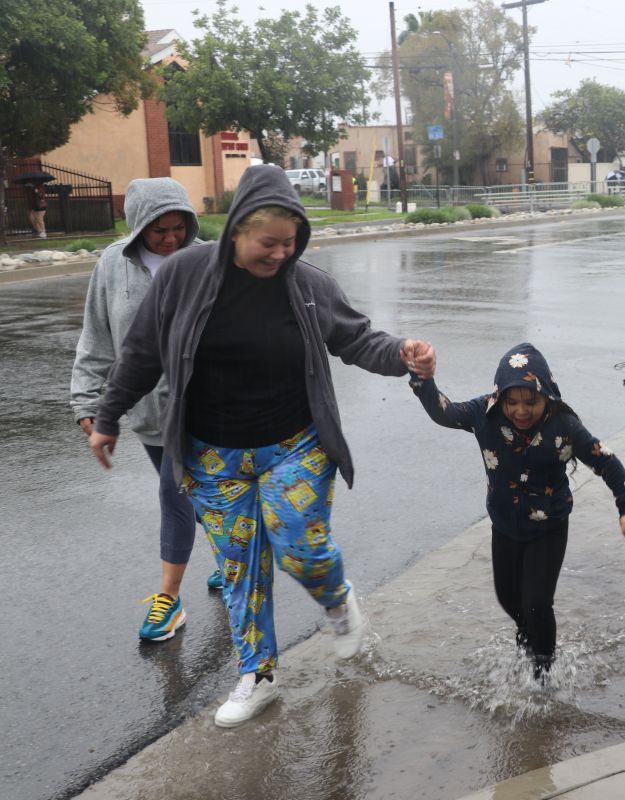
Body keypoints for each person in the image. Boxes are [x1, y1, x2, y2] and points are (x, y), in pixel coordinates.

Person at [86, 164, 436, 728]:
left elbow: (356, 338)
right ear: (236, 233)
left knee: (298, 544)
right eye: (267, 243)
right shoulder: (184, 276)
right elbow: (142, 350)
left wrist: (403, 354)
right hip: (211, 455)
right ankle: (259, 674)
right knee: (239, 565)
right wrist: (106, 415)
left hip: (294, 445)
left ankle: (337, 599)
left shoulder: (308, 283)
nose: (279, 254)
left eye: (290, 243)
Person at [408, 343, 625, 683]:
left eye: (530, 401)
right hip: (504, 526)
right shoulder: (483, 414)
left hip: (548, 528)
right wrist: (423, 380)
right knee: (508, 598)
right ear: (499, 397)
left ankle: (543, 675)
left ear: (546, 395)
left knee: (536, 602)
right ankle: (529, 638)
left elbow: (604, 459)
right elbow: (443, 412)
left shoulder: (564, 426)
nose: (520, 410)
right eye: (512, 401)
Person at [71, 178, 225, 642]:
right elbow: (97, 337)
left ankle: (169, 600)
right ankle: (233, 554)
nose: (171, 238)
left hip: (204, 406)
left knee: (173, 494)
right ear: (137, 226)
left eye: (179, 227)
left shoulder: (208, 260)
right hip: (146, 410)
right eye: (159, 230)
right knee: (193, 492)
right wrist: (87, 402)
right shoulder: (113, 266)